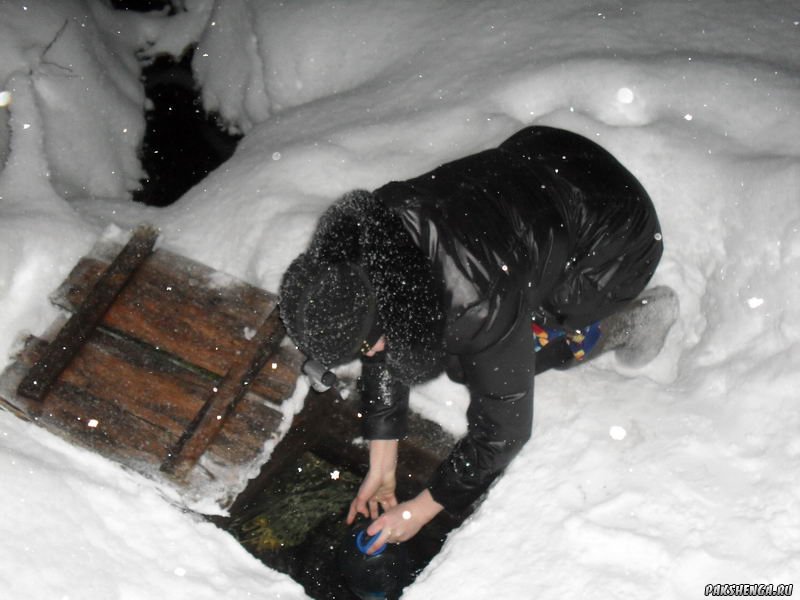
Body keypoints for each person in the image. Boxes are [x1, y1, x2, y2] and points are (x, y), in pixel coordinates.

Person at [279, 125, 663, 553]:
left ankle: (627, 324)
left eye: (366, 345)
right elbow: (382, 325)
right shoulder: (374, 240)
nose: (368, 354)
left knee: (503, 353)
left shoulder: (477, 305)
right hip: (550, 154)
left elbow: (505, 433)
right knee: (464, 346)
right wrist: (382, 463)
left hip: (619, 236)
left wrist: (424, 508)